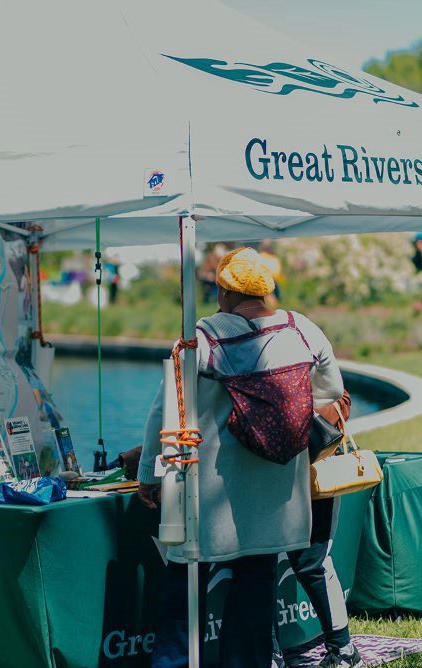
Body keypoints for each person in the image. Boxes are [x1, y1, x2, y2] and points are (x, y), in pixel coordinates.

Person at [138, 247, 344, 668]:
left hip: (211, 493)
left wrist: (148, 472)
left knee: (184, 594)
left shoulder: (202, 337)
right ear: (266, 291)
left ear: (223, 291)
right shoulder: (299, 329)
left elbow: (167, 410)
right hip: (275, 491)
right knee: (254, 595)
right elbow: (331, 391)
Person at [274, 392, 364, 668]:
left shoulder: (313, 346)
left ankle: (343, 650)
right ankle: (270, 653)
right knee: (260, 565)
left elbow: (340, 400)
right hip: (273, 466)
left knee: (312, 563)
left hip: (310, 464)